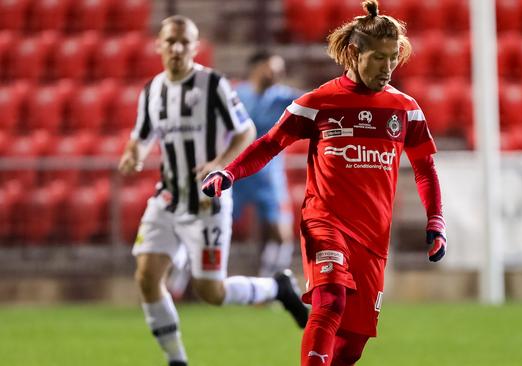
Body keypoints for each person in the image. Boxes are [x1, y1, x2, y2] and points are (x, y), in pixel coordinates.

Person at [201, 1, 447, 365]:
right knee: (330, 298)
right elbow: (270, 144)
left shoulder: (405, 109)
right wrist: (229, 172)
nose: (388, 67)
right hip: (325, 221)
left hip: (373, 237)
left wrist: (436, 222)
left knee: (352, 346)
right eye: (379, 57)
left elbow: (425, 168)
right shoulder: (319, 102)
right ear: (353, 52)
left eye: (393, 57)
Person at [117, 15, 308, 366]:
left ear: (195, 46)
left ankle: (277, 289)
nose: (176, 48)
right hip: (168, 199)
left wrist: (218, 162)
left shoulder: (214, 85)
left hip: (207, 202)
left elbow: (245, 132)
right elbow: (141, 137)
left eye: (184, 42)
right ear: (158, 45)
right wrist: (134, 156)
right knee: (146, 277)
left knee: (211, 292)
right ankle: (177, 359)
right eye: (170, 41)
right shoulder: (152, 90)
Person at [233, 51, 303, 277]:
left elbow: (310, 100)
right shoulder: (235, 95)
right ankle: (185, 284)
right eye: (273, 68)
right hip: (236, 173)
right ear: (258, 67)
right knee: (210, 226)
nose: (278, 74)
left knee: (281, 233)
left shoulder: (281, 96)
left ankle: (271, 282)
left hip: (268, 174)